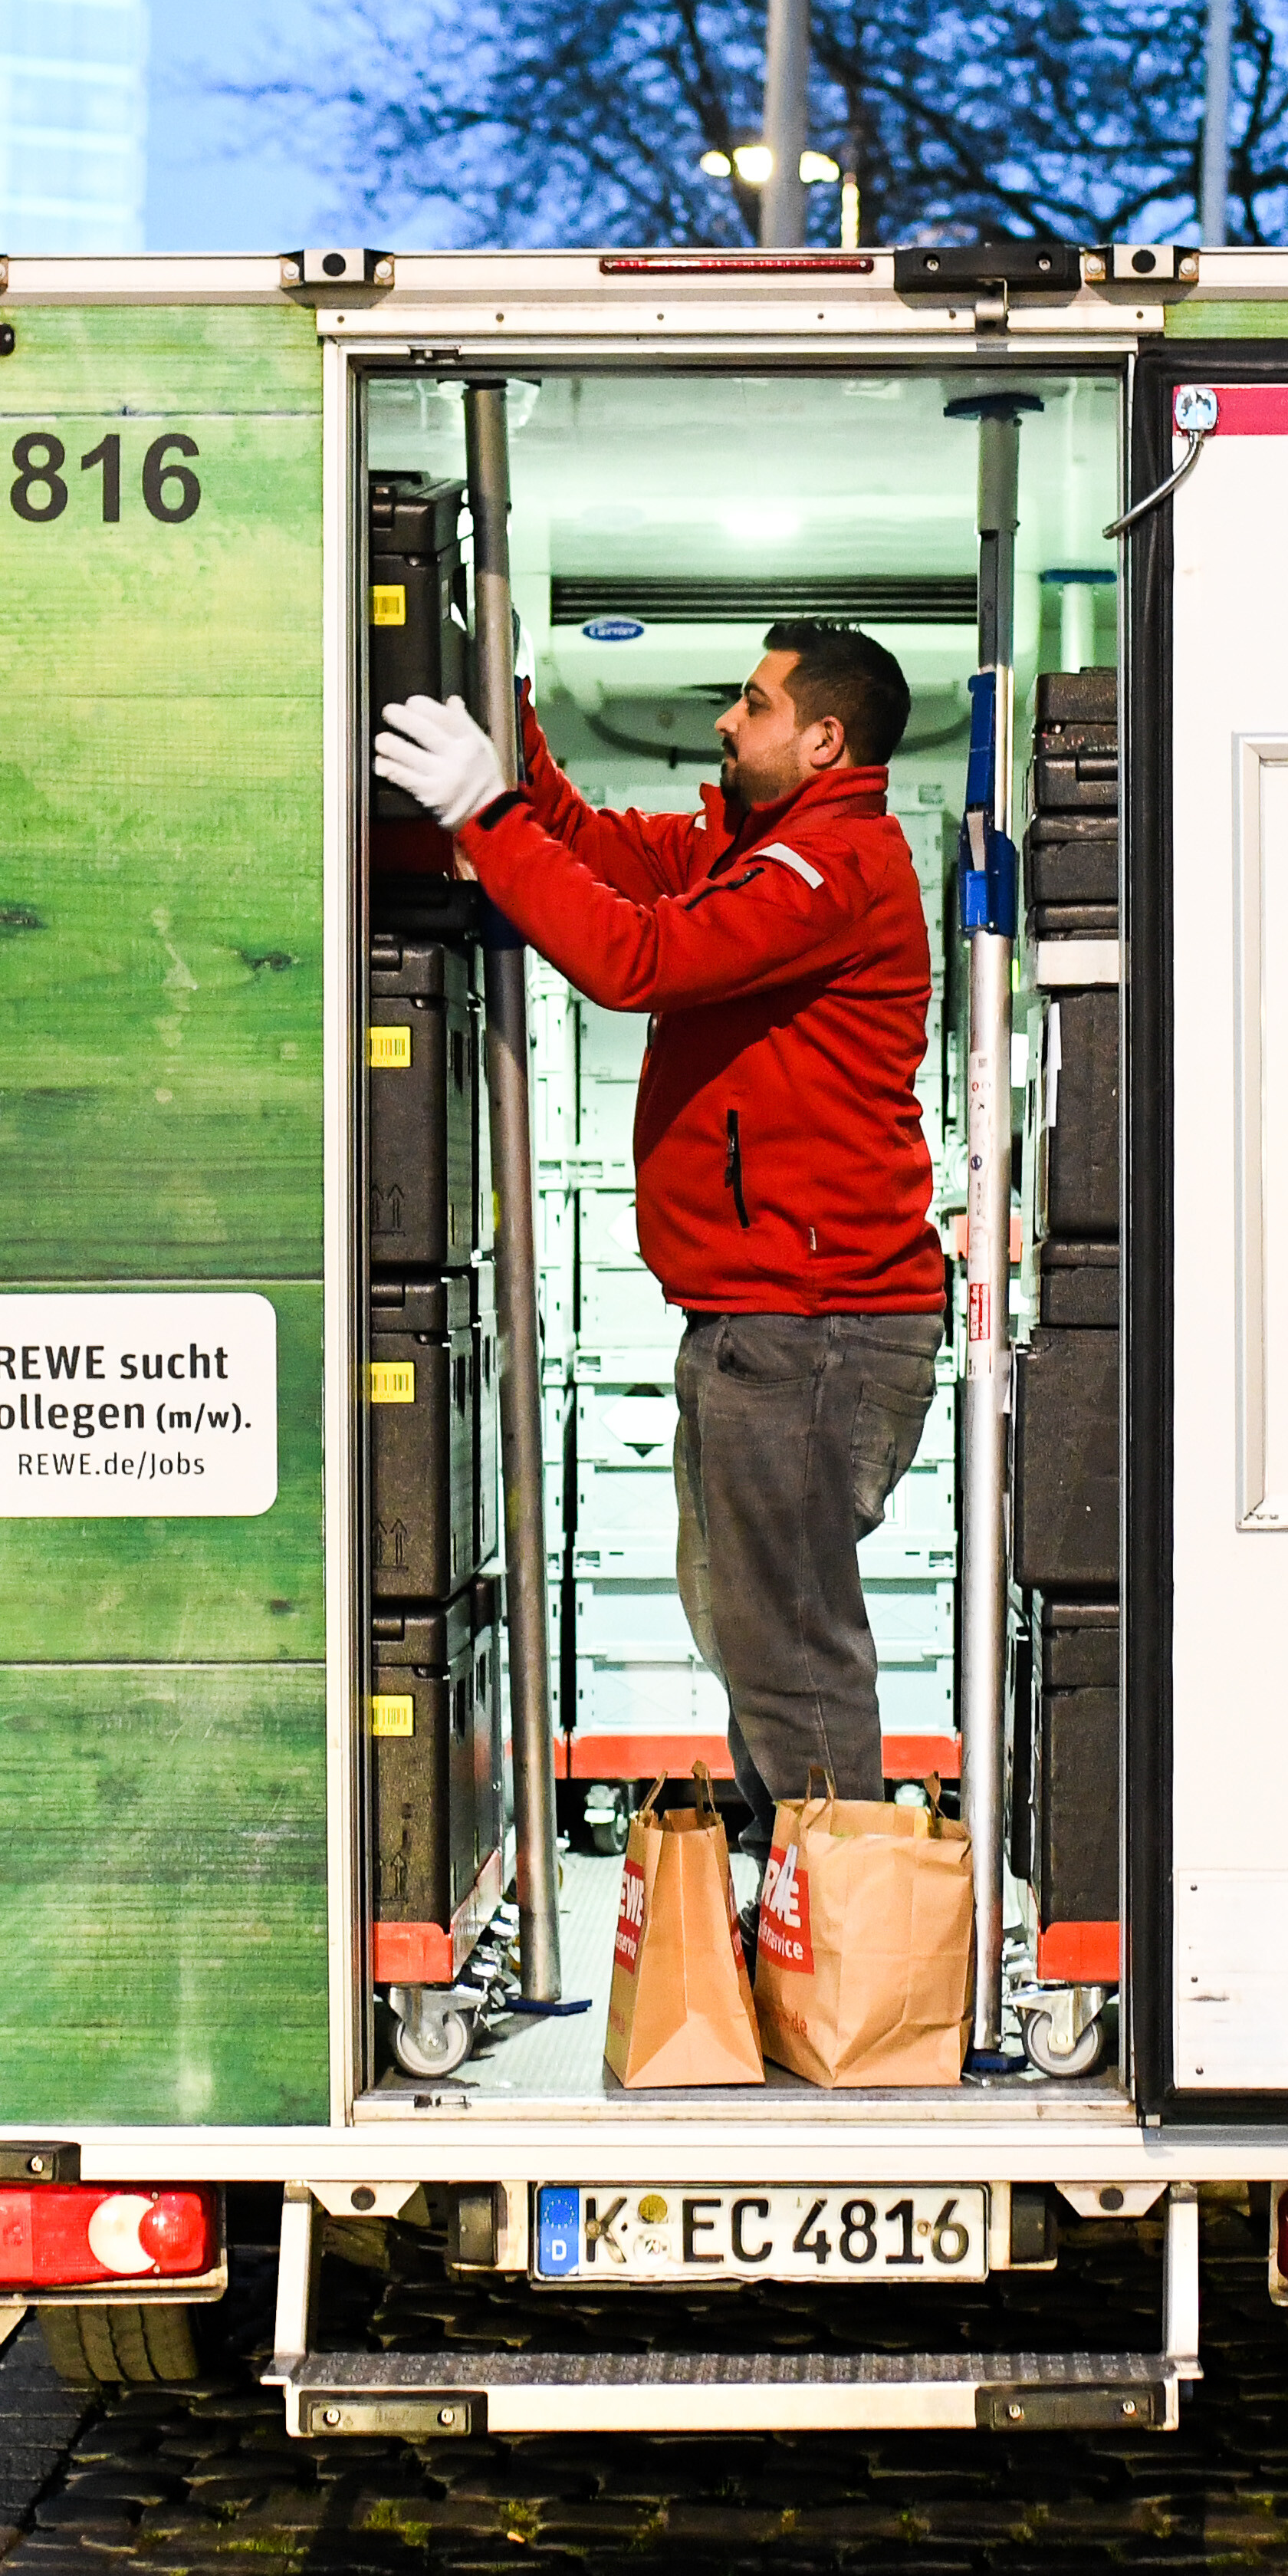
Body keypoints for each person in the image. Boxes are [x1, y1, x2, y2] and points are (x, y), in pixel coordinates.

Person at [374, 630, 943, 1831]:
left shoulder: (827, 871)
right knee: (753, 1629)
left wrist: (483, 814)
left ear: (824, 739)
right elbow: (599, 854)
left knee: (789, 1648)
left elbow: (636, 958)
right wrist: (503, 707)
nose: (726, 721)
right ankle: (802, 1895)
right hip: (769, 1323)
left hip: (814, 1326)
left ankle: (841, 1915)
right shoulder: (754, 851)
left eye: (754, 704)